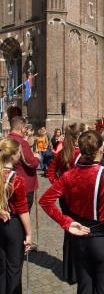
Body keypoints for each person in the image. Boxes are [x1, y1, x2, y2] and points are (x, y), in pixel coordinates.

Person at [40, 130, 104, 293]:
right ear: (101, 149)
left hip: (80, 240)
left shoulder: (69, 175)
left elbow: (45, 200)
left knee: (84, 288)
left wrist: (66, 222)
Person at [46, 122, 86, 283]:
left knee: (68, 232)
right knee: (79, 232)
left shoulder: (63, 152)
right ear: (79, 135)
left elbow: (50, 172)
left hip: (65, 198)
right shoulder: (80, 154)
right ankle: (78, 271)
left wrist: (58, 186)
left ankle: (68, 271)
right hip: (79, 198)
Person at [0, 138, 32, 294]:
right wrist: (29, 233)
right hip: (13, 225)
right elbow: (22, 209)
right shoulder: (17, 179)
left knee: (1, 265)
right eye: (19, 152)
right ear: (13, 156)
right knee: (14, 267)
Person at [7, 116, 40, 211]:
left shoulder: (6, 140)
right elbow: (32, 163)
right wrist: (37, 158)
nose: (26, 131)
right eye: (26, 128)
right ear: (21, 128)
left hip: (9, 181)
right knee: (23, 211)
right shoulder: (22, 143)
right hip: (24, 183)